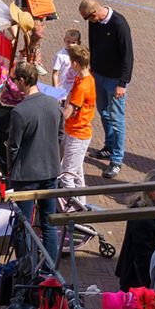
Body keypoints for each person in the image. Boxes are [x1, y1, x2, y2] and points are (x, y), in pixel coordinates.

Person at [4, 61, 64, 256]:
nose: (14, 84)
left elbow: (13, 146)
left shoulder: (20, 111)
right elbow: (60, 136)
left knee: (24, 225)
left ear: (23, 80)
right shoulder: (53, 104)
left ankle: (25, 269)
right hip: (51, 172)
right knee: (48, 223)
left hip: (27, 176)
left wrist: (11, 171)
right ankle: (49, 268)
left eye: (15, 80)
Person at [80, 0, 133, 180]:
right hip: (99, 75)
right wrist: (92, 68)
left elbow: (128, 56)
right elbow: (93, 44)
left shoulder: (119, 24)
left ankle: (117, 159)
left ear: (94, 14)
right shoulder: (95, 23)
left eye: (88, 19)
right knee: (104, 113)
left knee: (117, 118)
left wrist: (123, 83)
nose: (89, 23)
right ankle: (109, 147)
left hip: (115, 80)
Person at [114, 170, 155, 290]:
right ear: (150, 193)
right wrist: (149, 284)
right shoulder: (141, 217)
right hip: (137, 279)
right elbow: (142, 256)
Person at [59, 45, 96, 210]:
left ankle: (72, 210)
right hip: (75, 131)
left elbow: (68, 113)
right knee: (77, 172)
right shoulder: (85, 78)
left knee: (67, 175)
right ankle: (82, 204)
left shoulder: (82, 86)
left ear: (74, 64)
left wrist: (54, 107)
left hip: (77, 133)